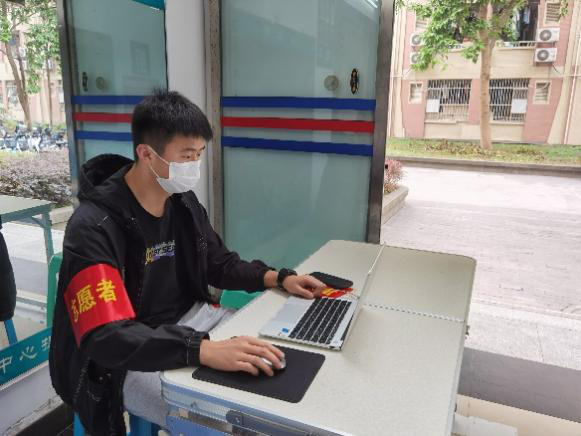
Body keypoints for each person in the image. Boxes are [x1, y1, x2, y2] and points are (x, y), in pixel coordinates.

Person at [49, 90, 325, 435]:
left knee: (280, 359)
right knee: (229, 420)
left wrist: (279, 278)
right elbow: (105, 336)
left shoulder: (182, 202)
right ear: (146, 154)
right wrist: (201, 350)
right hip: (124, 358)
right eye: (186, 156)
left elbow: (219, 264)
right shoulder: (93, 226)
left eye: (199, 154)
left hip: (194, 323)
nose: (194, 165)